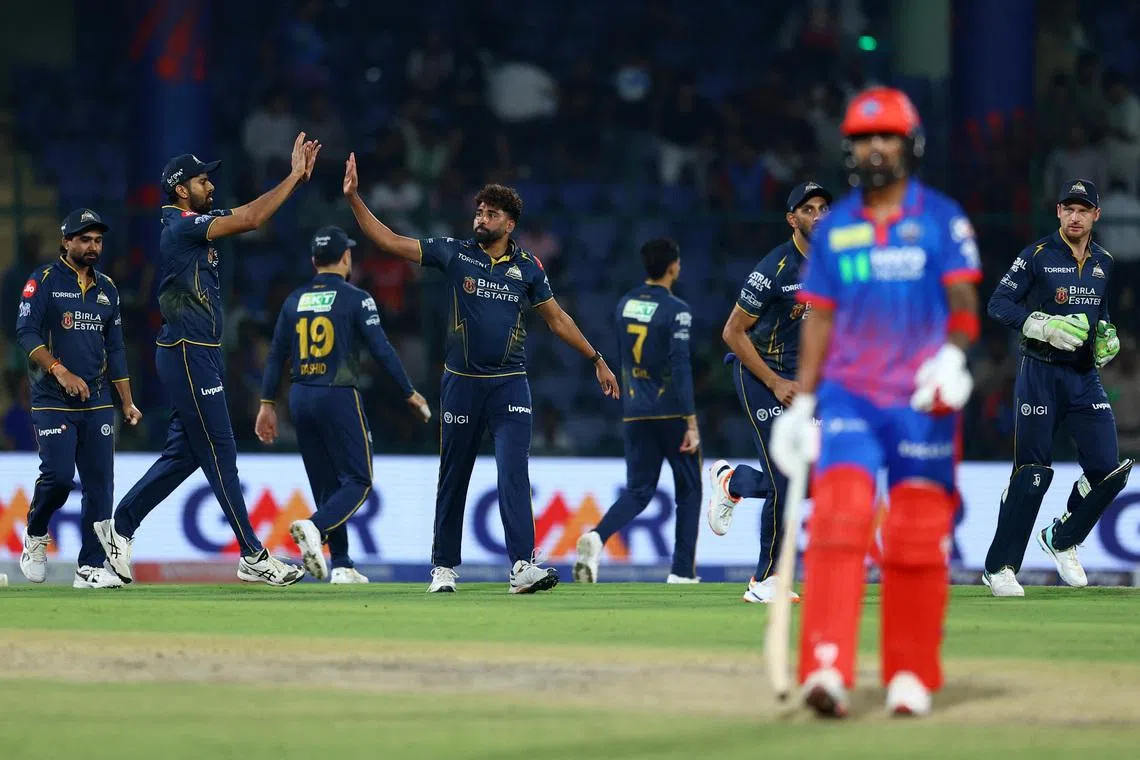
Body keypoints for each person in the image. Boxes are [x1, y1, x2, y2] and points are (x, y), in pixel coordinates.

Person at [770, 87, 982, 718]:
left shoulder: (942, 219)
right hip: (850, 400)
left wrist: (953, 357)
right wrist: (804, 404)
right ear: (849, 151)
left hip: (922, 399)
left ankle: (910, 673)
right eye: (864, 139)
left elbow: (965, 307)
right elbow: (818, 323)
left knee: (917, 537)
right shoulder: (834, 229)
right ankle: (827, 667)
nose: (875, 149)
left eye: (886, 136)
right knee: (838, 524)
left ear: (909, 144)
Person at [342, 153, 620, 594]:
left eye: (491, 213)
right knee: (455, 473)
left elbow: (557, 318)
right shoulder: (455, 254)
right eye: (479, 211)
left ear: (510, 224)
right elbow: (392, 241)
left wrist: (596, 358)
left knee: (514, 471)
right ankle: (443, 568)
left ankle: (522, 566)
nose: (481, 218)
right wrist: (355, 198)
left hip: (510, 383)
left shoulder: (528, 267)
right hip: (462, 385)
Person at [95, 135, 320, 587]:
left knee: (184, 455)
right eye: (202, 180)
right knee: (221, 451)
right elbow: (253, 218)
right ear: (181, 189)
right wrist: (294, 177)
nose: (210, 186)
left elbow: (245, 217)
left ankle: (118, 526)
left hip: (196, 354)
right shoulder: (182, 226)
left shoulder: (192, 224)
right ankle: (254, 555)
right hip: (187, 353)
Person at [256, 226, 431, 583]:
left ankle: (342, 564)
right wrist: (409, 391)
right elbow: (381, 349)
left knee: (326, 484)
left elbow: (276, 356)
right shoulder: (356, 298)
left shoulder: (294, 300)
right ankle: (315, 528)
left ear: (313, 261)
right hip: (337, 393)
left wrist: (266, 404)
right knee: (360, 479)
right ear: (347, 257)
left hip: (300, 396)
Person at [982, 179, 1129, 597]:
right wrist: (1041, 324)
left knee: (1107, 470)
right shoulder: (1038, 256)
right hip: (1041, 374)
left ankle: (1062, 537)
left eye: (1084, 210)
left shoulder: (1104, 261)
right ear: (1059, 212)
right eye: (1069, 209)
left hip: (1084, 377)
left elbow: (1099, 313)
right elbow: (999, 303)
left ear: (1096, 215)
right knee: (1032, 474)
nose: (1076, 216)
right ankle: (1001, 567)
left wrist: (1106, 337)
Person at [706, 181, 831, 603]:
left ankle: (733, 481)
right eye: (808, 210)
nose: (818, 216)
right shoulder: (773, 269)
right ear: (792, 219)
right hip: (761, 375)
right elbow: (731, 332)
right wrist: (775, 382)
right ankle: (765, 581)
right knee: (784, 478)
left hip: (805, 384)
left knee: (811, 484)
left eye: (823, 209)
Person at [15, 209, 142, 588]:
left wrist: (128, 401)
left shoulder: (108, 289)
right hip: (52, 397)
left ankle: (89, 567)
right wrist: (60, 370)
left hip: (98, 400)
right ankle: (36, 533)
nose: (92, 246)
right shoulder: (45, 281)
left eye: (98, 240)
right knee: (57, 478)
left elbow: (116, 349)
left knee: (100, 484)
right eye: (84, 239)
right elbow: (25, 334)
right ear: (66, 242)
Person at [573, 238, 702, 584]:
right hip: (672, 413)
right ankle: (681, 572)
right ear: (674, 266)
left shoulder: (624, 304)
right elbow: (681, 368)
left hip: (634, 412)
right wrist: (691, 421)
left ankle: (597, 537)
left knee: (638, 491)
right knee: (689, 489)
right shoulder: (678, 311)